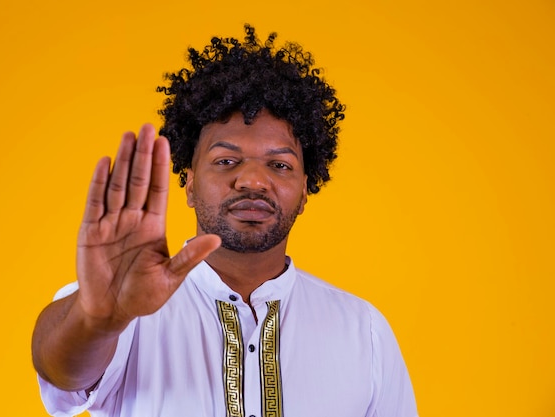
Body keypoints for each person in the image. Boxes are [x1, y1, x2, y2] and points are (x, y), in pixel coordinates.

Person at [32, 25, 418, 417]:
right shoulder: (129, 304)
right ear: (190, 184)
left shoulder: (363, 333)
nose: (252, 180)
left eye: (279, 164)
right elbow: (61, 370)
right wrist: (99, 320)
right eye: (226, 161)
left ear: (305, 190)